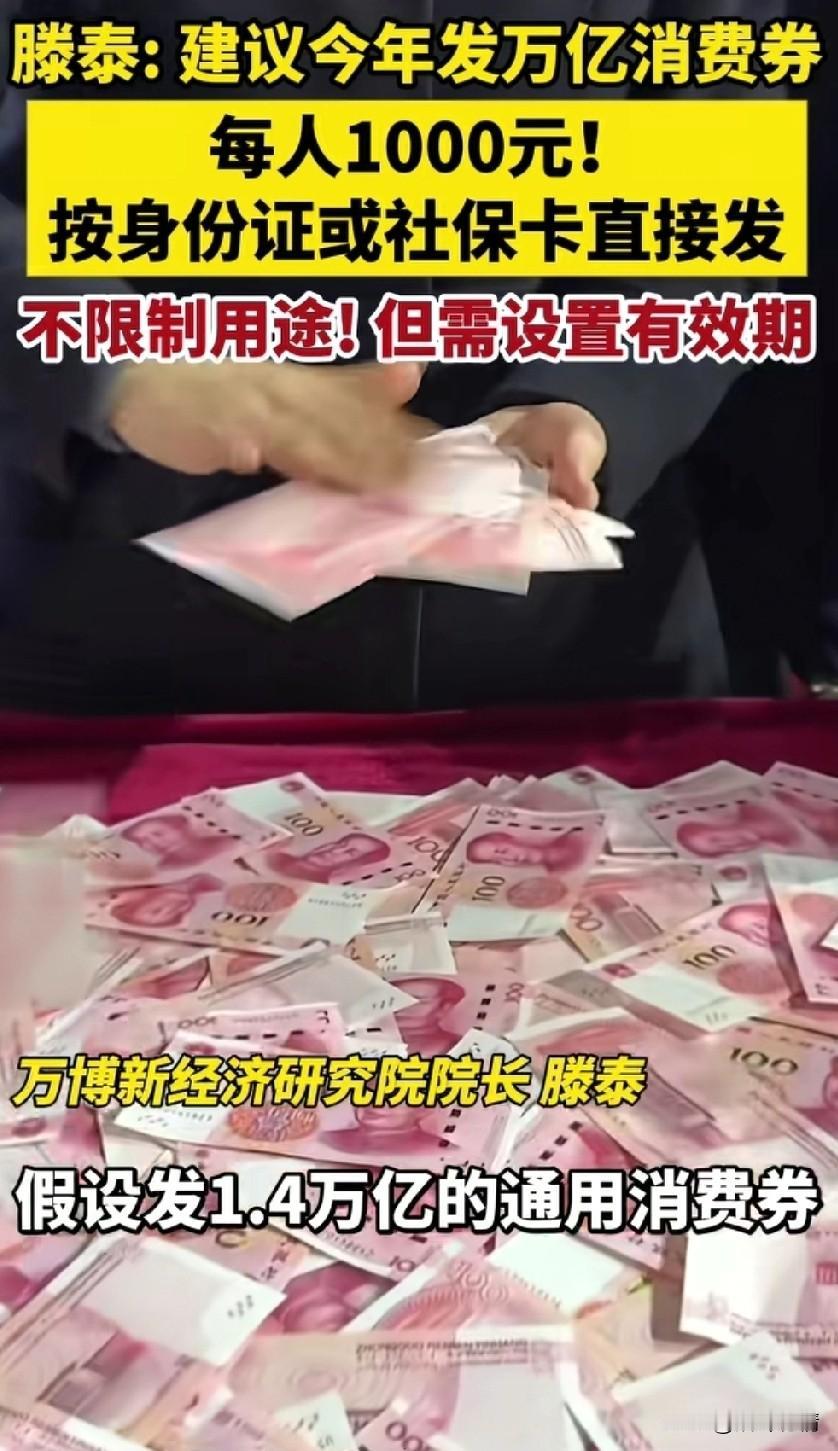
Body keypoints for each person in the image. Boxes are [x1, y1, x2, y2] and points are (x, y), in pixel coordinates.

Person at [0, 1, 788, 712]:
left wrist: (597, 396)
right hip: (141, 621)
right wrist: (111, 357)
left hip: (574, 632)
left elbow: (720, 177)